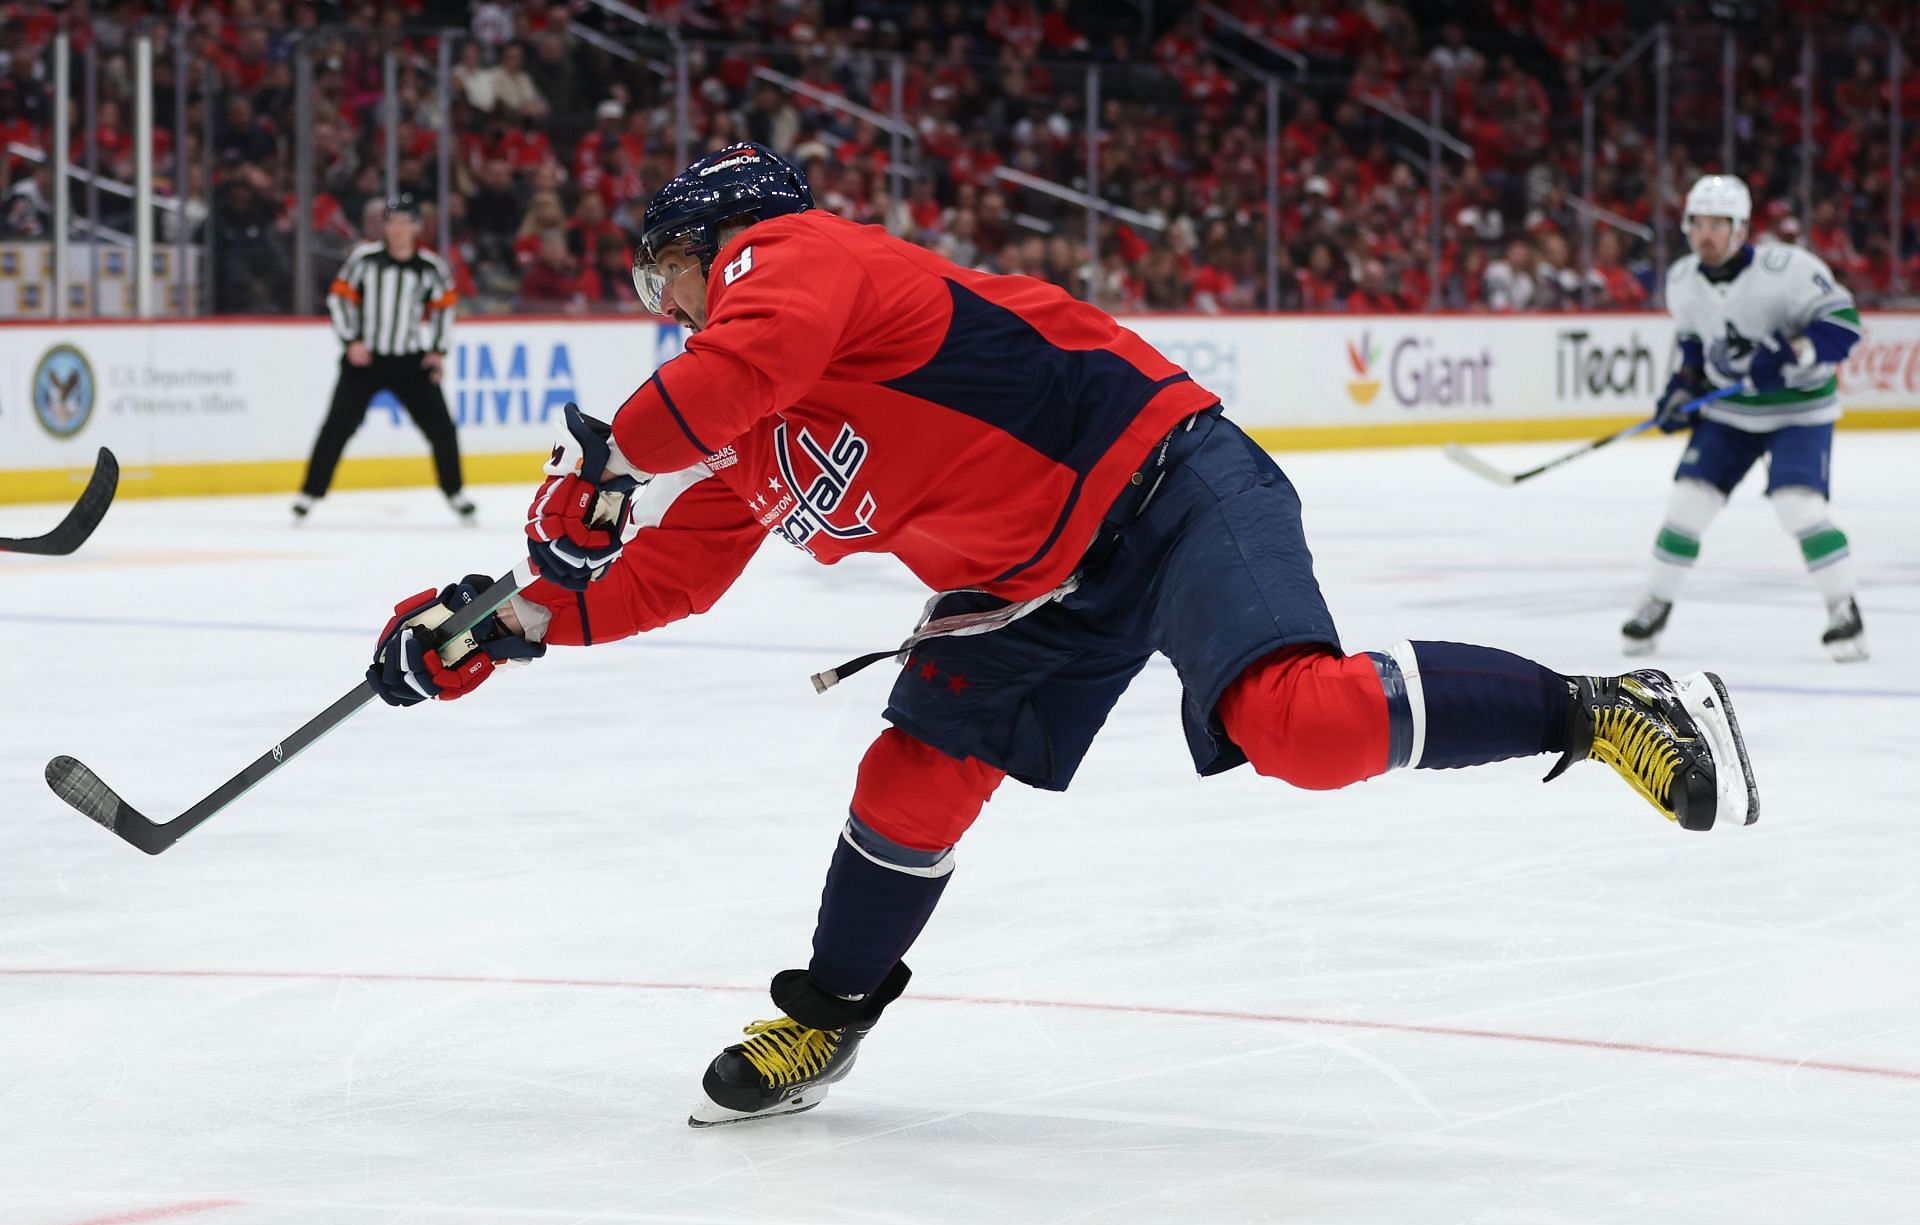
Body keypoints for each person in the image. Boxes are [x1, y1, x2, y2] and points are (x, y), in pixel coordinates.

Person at [365, 143, 1761, 1128]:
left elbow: (729, 374)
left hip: (1161, 482)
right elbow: (671, 575)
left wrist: (608, 462)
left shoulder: (799, 260)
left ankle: (1597, 704)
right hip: (1024, 588)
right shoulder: (743, 424)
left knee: (1306, 727)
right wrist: (499, 622)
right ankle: (831, 1012)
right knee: (905, 782)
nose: (656, 308)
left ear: (708, 243)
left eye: (660, 275)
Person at [1621, 174, 1866, 661]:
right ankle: (1656, 602)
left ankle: (1844, 609)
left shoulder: (1789, 268)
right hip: (1731, 413)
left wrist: (1791, 353)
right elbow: (1695, 346)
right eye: (1698, 224)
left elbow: (1844, 327)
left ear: (1741, 229)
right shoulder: (1683, 279)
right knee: (1686, 506)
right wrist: (1682, 388)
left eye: (1718, 224)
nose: (1706, 235)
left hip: (1799, 411)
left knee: (1799, 507)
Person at [296, 193, 475, 523]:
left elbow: (444, 309)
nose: (398, 229)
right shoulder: (366, 259)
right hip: (366, 361)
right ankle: (309, 493)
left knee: (441, 429)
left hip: (409, 361)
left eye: (405, 222)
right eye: (392, 221)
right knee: (337, 426)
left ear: (417, 227)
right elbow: (339, 299)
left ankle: (455, 492)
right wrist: (351, 340)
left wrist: (437, 351)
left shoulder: (430, 266)